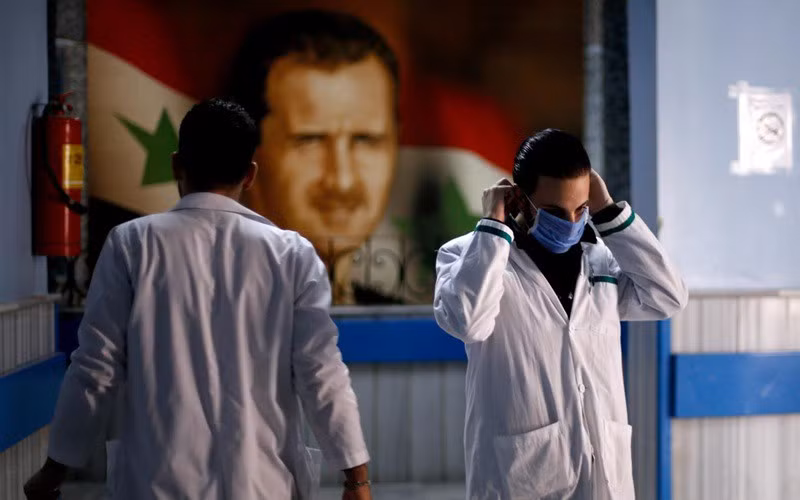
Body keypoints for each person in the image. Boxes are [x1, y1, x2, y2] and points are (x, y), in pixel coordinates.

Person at [24, 99, 372, 500]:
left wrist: (53, 471)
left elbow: (94, 369)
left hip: (155, 486)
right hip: (262, 485)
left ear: (176, 165)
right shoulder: (292, 255)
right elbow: (321, 372)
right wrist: (356, 479)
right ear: (250, 174)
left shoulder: (132, 245)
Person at [433, 129, 688, 499]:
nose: (570, 222)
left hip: (602, 470)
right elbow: (468, 322)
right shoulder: (467, 256)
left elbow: (668, 297)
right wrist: (493, 224)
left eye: (580, 209)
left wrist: (607, 211)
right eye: (554, 212)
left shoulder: (599, 258)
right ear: (519, 199)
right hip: (521, 474)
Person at [227, 10, 400, 305]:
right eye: (310, 140)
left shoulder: (420, 326)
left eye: (365, 140)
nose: (342, 181)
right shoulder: (187, 319)